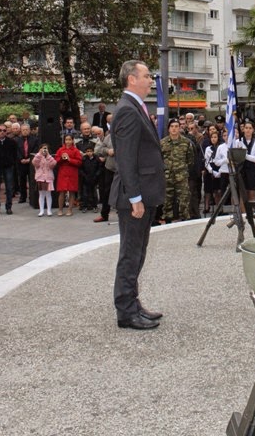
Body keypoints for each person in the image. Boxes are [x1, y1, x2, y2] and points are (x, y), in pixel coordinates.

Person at [109, 60, 165, 330]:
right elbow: (126, 159)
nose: (151, 80)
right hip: (134, 197)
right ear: (132, 79)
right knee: (130, 255)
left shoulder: (135, 107)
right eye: (146, 75)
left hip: (144, 193)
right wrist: (135, 199)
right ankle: (126, 312)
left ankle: (133, 303)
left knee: (138, 253)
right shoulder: (127, 110)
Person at [160, 119, 193, 223]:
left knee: (184, 198)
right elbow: (159, 159)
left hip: (181, 176)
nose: (174, 129)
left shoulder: (186, 142)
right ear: (169, 129)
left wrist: (182, 169)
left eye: (176, 126)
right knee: (166, 199)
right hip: (167, 176)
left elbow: (190, 159)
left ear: (179, 128)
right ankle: (167, 219)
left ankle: (184, 219)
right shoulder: (163, 143)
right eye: (172, 126)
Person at [55, 135, 82, 216]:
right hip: (63, 172)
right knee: (62, 191)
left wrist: (70, 159)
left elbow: (79, 162)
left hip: (72, 172)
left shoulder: (76, 150)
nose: (68, 141)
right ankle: (60, 209)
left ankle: (70, 209)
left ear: (72, 140)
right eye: (66, 140)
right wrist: (61, 158)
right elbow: (56, 160)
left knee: (72, 191)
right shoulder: (60, 150)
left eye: (69, 140)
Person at [16, 123, 39, 204]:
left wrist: (30, 159)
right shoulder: (17, 140)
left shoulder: (35, 139)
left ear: (29, 130)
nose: (25, 131)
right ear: (21, 131)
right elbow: (16, 151)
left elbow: (36, 150)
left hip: (31, 162)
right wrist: (21, 159)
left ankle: (31, 196)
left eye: (26, 130)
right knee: (22, 180)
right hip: (21, 163)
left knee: (32, 180)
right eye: (23, 130)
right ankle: (23, 197)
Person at [32, 144, 57, 216]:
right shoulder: (38, 157)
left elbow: (53, 164)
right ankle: (41, 210)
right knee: (41, 194)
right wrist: (39, 154)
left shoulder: (50, 157)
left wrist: (48, 156)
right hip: (40, 178)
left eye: (46, 149)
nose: (44, 150)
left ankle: (49, 210)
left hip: (48, 178)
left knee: (48, 194)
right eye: (43, 148)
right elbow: (35, 163)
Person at [80, 145, 101, 211]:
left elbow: (99, 168)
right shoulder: (84, 159)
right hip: (85, 179)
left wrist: (96, 175)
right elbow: (81, 169)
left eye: (90, 151)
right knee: (85, 193)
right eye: (88, 151)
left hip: (94, 178)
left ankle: (95, 206)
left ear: (93, 152)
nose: (89, 153)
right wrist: (84, 176)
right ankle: (85, 206)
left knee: (94, 193)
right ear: (86, 152)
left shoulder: (96, 159)